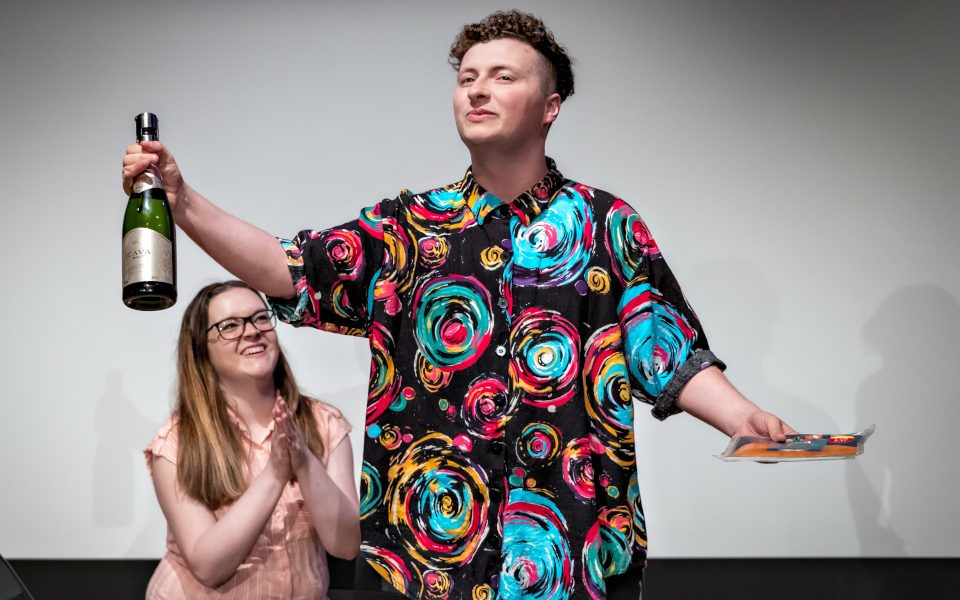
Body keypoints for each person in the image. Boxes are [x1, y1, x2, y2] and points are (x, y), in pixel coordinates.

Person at [124, 10, 796, 600]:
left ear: (550, 105)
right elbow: (284, 266)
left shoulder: (604, 223)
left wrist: (744, 418)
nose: (477, 88)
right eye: (467, 76)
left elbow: (668, 350)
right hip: (425, 563)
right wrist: (180, 203)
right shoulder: (407, 228)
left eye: (504, 76)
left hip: (576, 553)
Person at [143, 280, 360, 599]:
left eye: (260, 318)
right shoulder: (176, 441)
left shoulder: (323, 422)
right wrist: (274, 474)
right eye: (230, 325)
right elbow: (208, 566)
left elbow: (346, 545)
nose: (252, 331)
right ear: (202, 349)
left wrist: (303, 461)